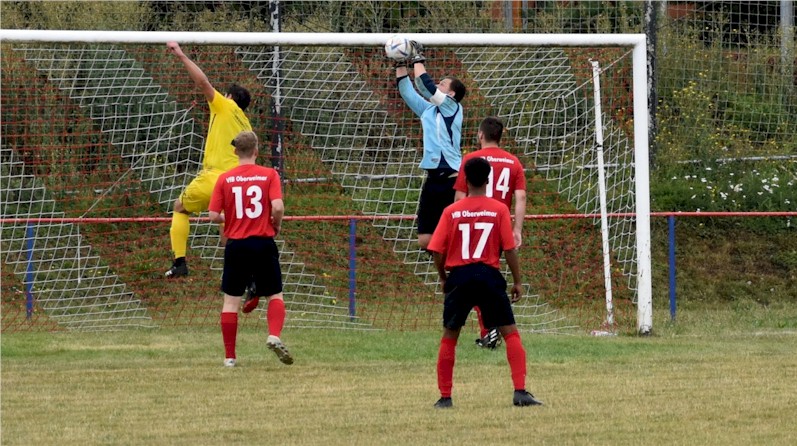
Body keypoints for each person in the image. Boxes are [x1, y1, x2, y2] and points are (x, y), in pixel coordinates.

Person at [427, 157, 542, 408]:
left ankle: (445, 397)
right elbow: (510, 249)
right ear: (488, 180)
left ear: (465, 180)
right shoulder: (499, 209)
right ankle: (520, 391)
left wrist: (445, 278)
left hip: (460, 276)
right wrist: (518, 281)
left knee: (450, 335)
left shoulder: (451, 211)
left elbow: (436, 251)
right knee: (510, 332)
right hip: (489, 275)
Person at [165, 41, 253, 278]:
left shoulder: (224, 105)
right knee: (228, 228)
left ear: (229, 97)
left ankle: (180, 262)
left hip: (216, 178)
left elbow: (203, 82)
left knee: (180, 208)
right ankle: (241, 276)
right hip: (239, 184)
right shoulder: (245, 123)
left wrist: (181, 55)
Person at [208, 131, 292, 367]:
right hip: (263, 242)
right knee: (275, 294)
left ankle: (229, 357)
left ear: (235, 152)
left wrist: (231, 217)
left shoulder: (225, 179)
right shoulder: (269, 175)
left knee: (230, 302)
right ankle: (274, 335)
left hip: (236, 245)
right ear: (256, 150)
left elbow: (213, 215)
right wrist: (277, 223)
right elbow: (277, 206)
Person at [453, 116, 527, 349]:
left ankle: (489, 329)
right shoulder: (513, 162)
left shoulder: (470, 159)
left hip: (473, 221)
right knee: (489, 275)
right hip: (499, 223)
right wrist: (517, 228)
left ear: (481, 135)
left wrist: (457, 221)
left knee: (472, 274)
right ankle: (493, 329)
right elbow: (521, 196)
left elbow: (459, 195)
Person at [394, 40, 467, 250]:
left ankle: (458, 272)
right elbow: (408, 92)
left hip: (452, 180)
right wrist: (400, 62)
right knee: (425, 240)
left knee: (454, 237)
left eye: (442, 84)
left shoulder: (452, 107)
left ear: (451, 94)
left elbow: (425, 86)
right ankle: (444, 272)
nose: (437, 85)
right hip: (433, 179)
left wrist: (417, 57)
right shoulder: (428, 111)